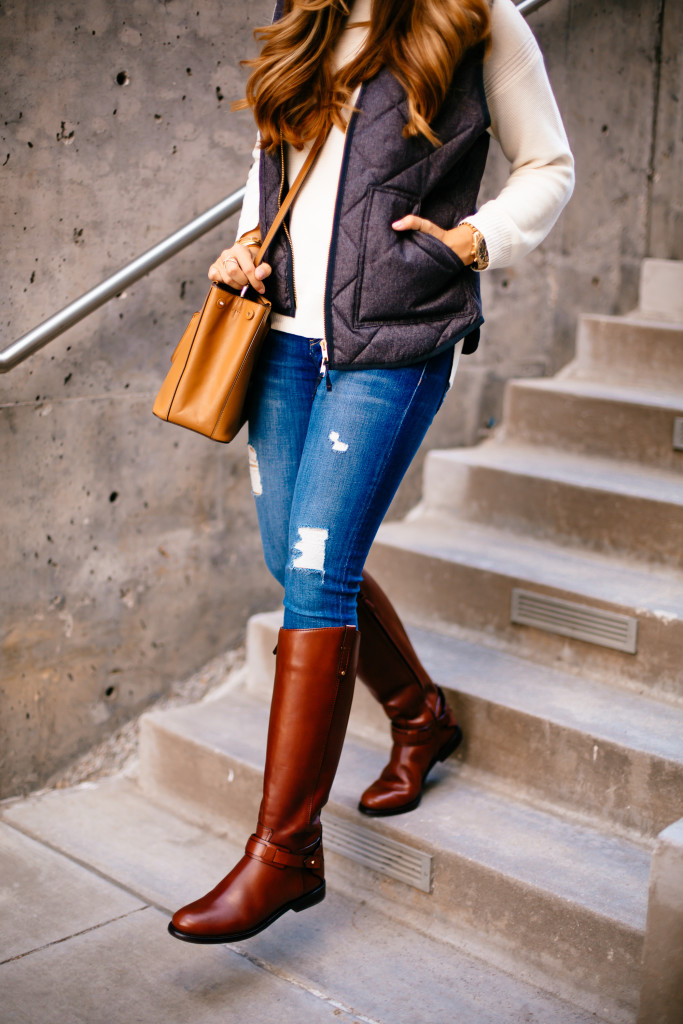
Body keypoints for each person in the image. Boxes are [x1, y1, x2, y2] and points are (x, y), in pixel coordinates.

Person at [168, 0, 574, 944]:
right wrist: (246, 239)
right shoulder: (303, 16)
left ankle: (284, 853)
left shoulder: (477, 19)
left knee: (315, 572)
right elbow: (273, 163)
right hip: (279, 337)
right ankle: (422, 715)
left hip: (389, 344)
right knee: (293, 558)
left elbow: (548, 165)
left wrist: (476, 241)